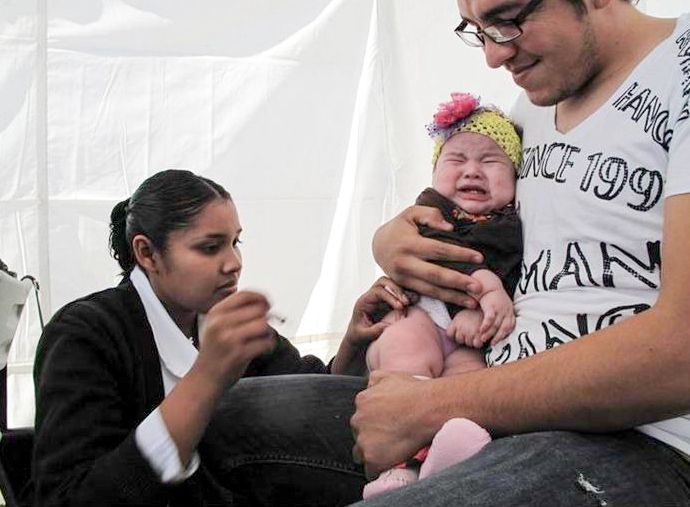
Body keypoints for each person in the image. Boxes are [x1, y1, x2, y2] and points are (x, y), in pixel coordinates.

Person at [350, 1, 690, 505]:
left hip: (647, 439)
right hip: (485, 392)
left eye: (508, 18)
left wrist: (428, 407)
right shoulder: (532, 101)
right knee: (235, 420)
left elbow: (682, 350)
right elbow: (485, 215)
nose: (492, 55)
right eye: (477, 29)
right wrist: (392, 240)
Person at [29, 169, 405, 506]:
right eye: (210, 247)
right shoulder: (86, 336)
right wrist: (208, 377)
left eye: (235, 243)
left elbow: (306, 408)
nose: (233, 263)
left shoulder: (226, 325)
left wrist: (354, 342)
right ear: (147, 253)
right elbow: (71, 496)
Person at [362, 92, 522, 498]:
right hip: (420, 316)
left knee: (467, 388)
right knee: (407, 352)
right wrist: (483, 292)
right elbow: (439, 256)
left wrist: (481, 314)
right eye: (456, 160)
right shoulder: (433, 211)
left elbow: (515, 272)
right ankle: (392, 466)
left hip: (469, 340)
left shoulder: (512, 225)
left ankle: (436, 462)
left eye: (490, 161)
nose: (472, 171)